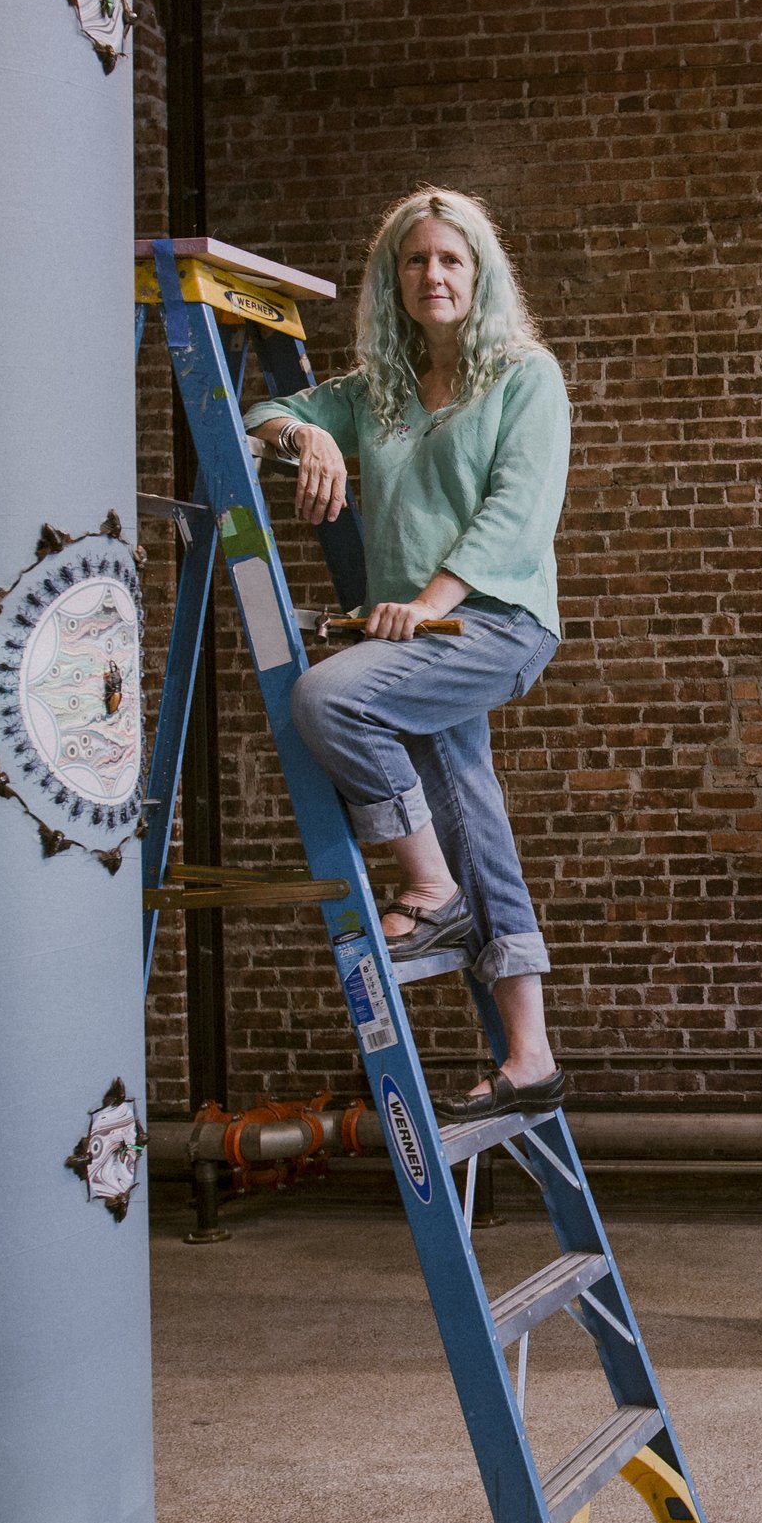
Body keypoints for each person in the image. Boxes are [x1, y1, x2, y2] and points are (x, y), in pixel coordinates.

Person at [244, 187, 569, 1125]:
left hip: (495, 624)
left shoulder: (525, 376)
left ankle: (430, 890)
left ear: (481, 274)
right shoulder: (374, 393)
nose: (434, 274)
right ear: (394, 281)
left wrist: (428, 606)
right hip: (413, 635)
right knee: (471, 811)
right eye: (416, 260)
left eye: (451, 259)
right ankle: (532, 1055)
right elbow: (261, 411)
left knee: (329, 699)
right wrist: (309, 434)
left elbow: (517, 513)